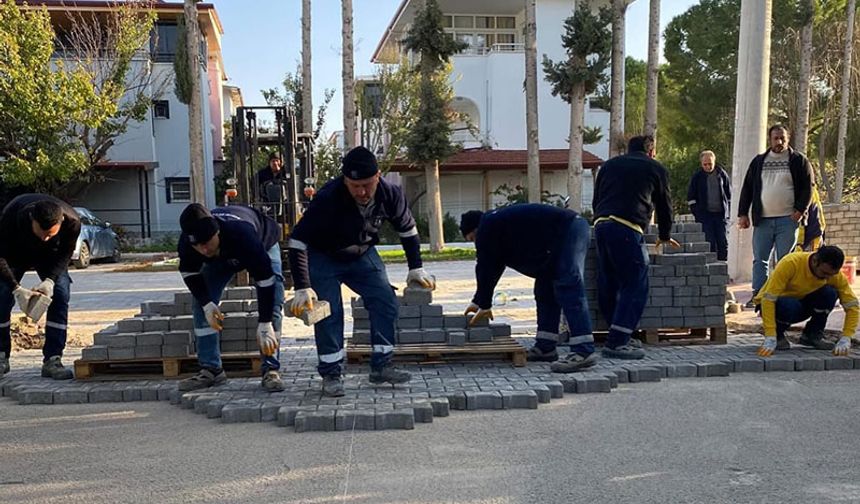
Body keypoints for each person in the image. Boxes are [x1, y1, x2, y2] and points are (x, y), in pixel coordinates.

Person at [287, 146, 435, 397]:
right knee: (327, 313)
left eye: (367, 184)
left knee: (385, 301)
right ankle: (331, 374)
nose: (361, 192)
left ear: (378, 176)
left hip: (362, 254)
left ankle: (381, 367)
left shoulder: (391, 194)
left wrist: (415, 267)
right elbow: (297, 241)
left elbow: (408, 231)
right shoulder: (327, 198)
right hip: (323, 256)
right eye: (354, 186)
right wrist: (303, 286)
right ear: (345, 180)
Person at [459, 204, 598, 373]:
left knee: (568, 284)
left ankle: (583, 351)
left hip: (569, 229)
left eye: (472, 239)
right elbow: (493, 267)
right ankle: (546, 347)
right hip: (553, 242)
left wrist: (483, 302)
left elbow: (485, 267)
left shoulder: (488, 225)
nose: (475, 244)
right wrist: (480, 301)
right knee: (544, 290)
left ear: (475, 229)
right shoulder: (499, 230)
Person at [177, 203, 286, 392]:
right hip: (221, 259)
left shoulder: (242, 234)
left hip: (263, 243)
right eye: (198, 246)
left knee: (274, 300)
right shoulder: (188, 243)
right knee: (200, 306)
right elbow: (189, 273)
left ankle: (271, 369)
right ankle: (211, 370)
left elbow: (265, 280)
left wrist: (265, 322)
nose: (203, 250)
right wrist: (206, 303)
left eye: (206, 243)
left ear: (216, 232)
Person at [591, 135, 677, 360]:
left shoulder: (609, 166)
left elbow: (596, 199)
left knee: (608, 281)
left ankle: (617, 331)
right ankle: (618, 342)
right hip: (627, 228)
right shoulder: (655, 168)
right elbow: (664, 205)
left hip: (601, 226)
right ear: (651, 151)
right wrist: (665, 235)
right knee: (635, 283)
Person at [0, 194, 81, 379]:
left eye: (50, 234)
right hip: (15, 254)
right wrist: (15, 287)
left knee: (60, 295)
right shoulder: (11, 217)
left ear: (60, 222)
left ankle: (53, 359)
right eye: (41, 233)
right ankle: (1, 356)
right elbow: (1, 257)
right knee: (1, 295)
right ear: (32, 220)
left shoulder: (72, 222)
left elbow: (66, 254)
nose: (45, 238)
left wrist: (50, 281)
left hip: (50, 257)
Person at [738, 125, 814, 308]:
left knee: (785, 260)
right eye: (775, 138)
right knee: (760, 259)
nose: (779, 142)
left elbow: (808, 188)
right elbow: (747, 188)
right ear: (769, 139)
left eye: (783, 138)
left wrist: (800, 210)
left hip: (788, 220)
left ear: (788, 139)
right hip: (762, 220)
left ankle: (782, 295)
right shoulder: (759, 162)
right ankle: (758, 295)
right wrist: (742, 214)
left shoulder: (799, 161)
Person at [753, 245, 857, 357]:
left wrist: (846, 337)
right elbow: (768, 299)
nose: (827, 277)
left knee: (829, 293)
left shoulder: (833, 275)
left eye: (831, 274)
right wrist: (770, 335)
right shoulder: (791, 263)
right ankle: (778, 335)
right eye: (824, 273)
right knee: (789, 305)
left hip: (800, 304)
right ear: (815, 261)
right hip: (775, 305)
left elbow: (852, 305)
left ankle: (811, 335)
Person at [687, 150, 731, 261]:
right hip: (705, 217)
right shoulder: (697, 177)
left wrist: (728, 211)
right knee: (709, 242)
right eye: (705, 164)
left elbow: (729, 194)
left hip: (721, 216)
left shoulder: (722, 174)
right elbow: (691, 198)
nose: (708, 166)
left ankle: (723, 267)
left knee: (723, 242)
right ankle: (712, 268)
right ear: (701, 164)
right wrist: (698, 213)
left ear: (714, 162)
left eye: (710, 164)